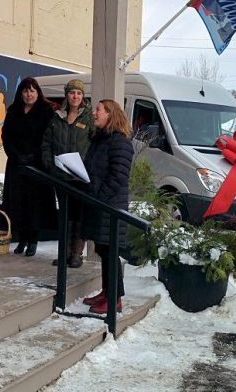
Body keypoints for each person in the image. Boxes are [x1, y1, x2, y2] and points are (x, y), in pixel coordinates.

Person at [81, 99, 133, 314]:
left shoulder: (120, 142)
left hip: (110, 207)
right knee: (103, 250)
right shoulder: (100, 140)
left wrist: (99, 197)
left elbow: (118, 175)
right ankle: (107, 292)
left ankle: (114, 299)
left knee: (110, 252)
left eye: (98, 110)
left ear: (110, 114)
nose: (94, 113)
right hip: (99, 205)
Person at [1, 77, 57, 257]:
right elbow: (6, 136)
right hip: (17, 164)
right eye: (25, 91)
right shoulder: (13, 111)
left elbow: (49, 137)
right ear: (21, 93)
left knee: (35, 204)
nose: (29, 94)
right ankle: (22, 238)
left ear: (38, 93)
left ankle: (33, 240)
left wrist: (35, 156)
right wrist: (16, 156)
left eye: (32, 90)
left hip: (38, 165)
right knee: (18, 202)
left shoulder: (46, 111)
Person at [41, 79, 92, 267]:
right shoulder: (57, 117)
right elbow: (46, 143)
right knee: (65, 216)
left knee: (79, 216)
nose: (75, 97)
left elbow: (95, 144)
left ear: (82, 96)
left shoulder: (88, 118)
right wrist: (48, 164)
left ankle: (77, 254)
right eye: (72, 93)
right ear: (67, 95)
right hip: (61, 176)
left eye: (79, 93)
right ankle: (64, 253)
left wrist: (89, 166)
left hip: (80, 176)